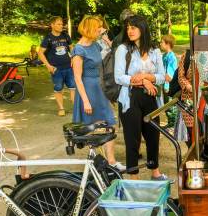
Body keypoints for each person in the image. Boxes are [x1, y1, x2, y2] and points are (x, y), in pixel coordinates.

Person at [114, 14, 167, 180]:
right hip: (130, 98)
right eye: (128, 28)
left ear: (142, 29)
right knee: (132, 139)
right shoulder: (123, 49)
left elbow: (161, 76)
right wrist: (144, 81)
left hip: (151, 98)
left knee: (153, 135)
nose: (129, 31)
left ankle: (155, 172)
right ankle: (133, 177)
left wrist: (144, 77)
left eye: (133, 27)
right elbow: (119, 77)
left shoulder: (155, 50)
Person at [71, 16, 124, 171]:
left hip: (99, 87)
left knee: (109, 123)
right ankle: (96, 162)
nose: (100, 30)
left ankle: (112, 162)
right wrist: (86, 101)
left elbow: (107, 59)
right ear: (89, 29)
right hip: (87, 89)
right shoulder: (79, 49)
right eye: (97, 28)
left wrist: (107, 40)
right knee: (92, 127)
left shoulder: (95, 45)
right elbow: (77, 78)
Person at [38, 16, 75, 116]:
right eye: (58, 24)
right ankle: (61, 108)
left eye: (62, 24)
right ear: (52, 25)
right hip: (56, 69)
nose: (61, 26)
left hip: (69, 67)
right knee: (58, 88)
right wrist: (48, 66)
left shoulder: (66, 36)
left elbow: (72, 48)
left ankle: (76, 108)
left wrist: (73, 59)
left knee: (73, 87)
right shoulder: (48, 38)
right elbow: (40, 53)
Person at [160, 34, 178, 125]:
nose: (160, 44)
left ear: (167, 44)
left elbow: (169, 74)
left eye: (162, 42)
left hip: (169, 84)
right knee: (166, 102)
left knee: (170, 104)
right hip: (164, 83)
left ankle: (172, 122)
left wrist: (167, 85)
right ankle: (170, 121)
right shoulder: (164, 55)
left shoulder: (171, 57)